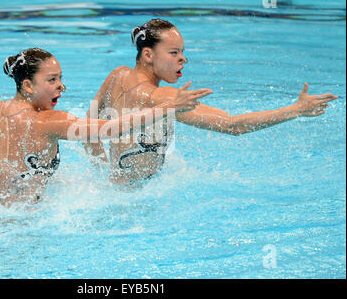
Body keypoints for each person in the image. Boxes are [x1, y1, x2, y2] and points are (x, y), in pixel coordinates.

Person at [83, 18, 338, 185]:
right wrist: (295, 110)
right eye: (174, 53)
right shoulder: (164, 98)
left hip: (115, 188)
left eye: (182, 52)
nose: (183, 60)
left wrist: (104, 173)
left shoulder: (117, 76)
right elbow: (232, 125)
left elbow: (88, 130)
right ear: (148, 55)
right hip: (138, 203)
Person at [0, 47, 211, 206]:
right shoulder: (48, 121)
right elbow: (111, 129)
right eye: (52, 80)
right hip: (27, 228)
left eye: (60, 79)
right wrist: (168, 108)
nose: (61, 87)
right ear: (27, 86)